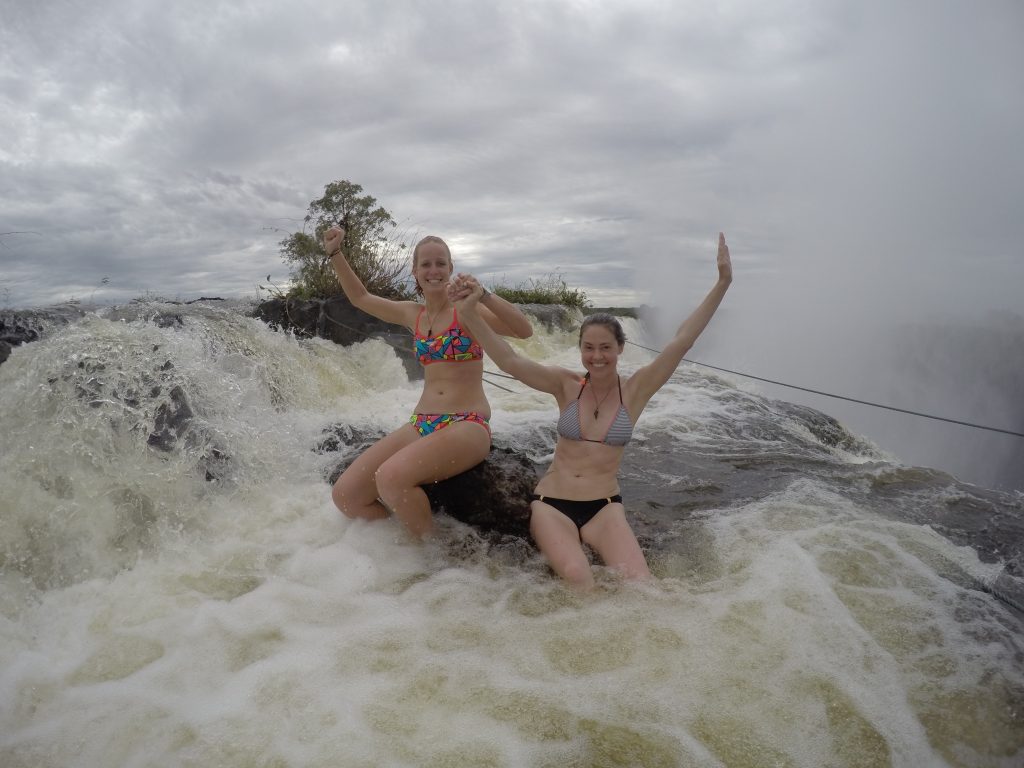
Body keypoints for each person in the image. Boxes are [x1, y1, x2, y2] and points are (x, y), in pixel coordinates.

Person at [449, 233, 732, 588]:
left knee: (642, 587)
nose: (597, 356)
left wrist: (722, 283)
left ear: (620, 349)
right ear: (580, 349)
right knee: (580, 580)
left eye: (605, 348)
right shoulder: (565, 385)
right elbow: (509, 360)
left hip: (605, 506)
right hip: (552, 504)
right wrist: (469, 313)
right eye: (589, 348)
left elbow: (682, 340)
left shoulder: (636, 390)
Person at [323, 225, 533, 537]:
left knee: (391, 477)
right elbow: (360, 297)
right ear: (415, 272)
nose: (433, 270)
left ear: (451, 269)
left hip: (468, 423)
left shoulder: (466, 312)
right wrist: (335, 253)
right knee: (346, 496)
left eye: (440, 263)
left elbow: (522, 330)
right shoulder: (413, 314)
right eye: (426, 264)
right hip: (422, 423)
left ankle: (428, 555)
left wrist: (484, 295)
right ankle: (401, 541)